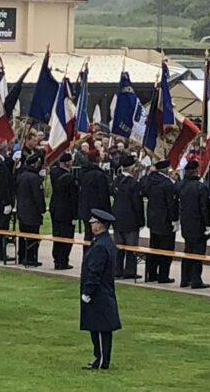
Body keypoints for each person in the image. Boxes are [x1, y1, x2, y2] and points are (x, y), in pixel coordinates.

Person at [79, 209, 122, 371]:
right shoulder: (104, 242)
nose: (91, 225)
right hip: (103, 291)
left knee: (99, 328)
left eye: (93, 222)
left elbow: (95, 271)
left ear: (100, 225)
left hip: (99, 293)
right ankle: (99, 359)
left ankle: (102, 361)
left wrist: (88, 292)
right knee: (97, 327)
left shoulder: (100, 246)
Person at [177, 160, 210, 289]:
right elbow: (204, 208)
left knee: (188, 251)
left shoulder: (181, 185)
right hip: (198, 225)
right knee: (197, 253)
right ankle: (196, 280)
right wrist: (208, 224)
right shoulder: (200, 187)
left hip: (186, 224)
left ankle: (185, 279)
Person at [144, 160, 177, 284]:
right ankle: (163, 275)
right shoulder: (167, 184)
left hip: (153, 220)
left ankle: (152, 273)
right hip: (165, 221)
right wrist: (174, 219)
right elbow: (171, 204)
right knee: (166, 250)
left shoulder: (151, 181)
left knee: (154, 248)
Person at [111, 157, 144, 280]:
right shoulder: (133, 183)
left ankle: (117, 270)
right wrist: (141, 220)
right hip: (130, 219)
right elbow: (137, 203)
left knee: (119, 247)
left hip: (117, 217)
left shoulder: (116, 181)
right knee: (131, 248)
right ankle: (130, 271)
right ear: (131, 168)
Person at [16, 152, 46, 267]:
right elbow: (38, 196)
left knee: (23, 235)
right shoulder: (34, 178)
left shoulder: (21, 175)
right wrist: (42, 209)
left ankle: (22, 256)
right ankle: (31, 258)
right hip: (32, 212)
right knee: (33, 236)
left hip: (22, 211)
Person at [78, 150, 112, 249]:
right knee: (97, 237)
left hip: (85, 210)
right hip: (97, 212)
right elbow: (103, 196)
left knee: (88, 236)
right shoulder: (99, 175)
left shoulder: (83, 174)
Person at [49, 153, 78, 270]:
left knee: (57, 234)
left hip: (55, 208)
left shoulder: (54, 173)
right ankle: (63, 260)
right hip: (66, 211)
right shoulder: (69, 178)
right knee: (66, 236)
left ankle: (57, 259)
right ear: (67, 163)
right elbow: (74, 198)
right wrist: (75, 214)